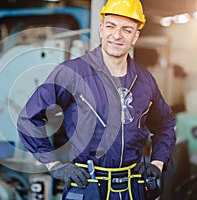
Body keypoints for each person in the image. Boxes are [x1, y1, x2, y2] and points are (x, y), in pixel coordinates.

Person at [17, 0, 176, 199]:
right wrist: (54, 164)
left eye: (126, 29)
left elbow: (165, 124)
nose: (117, 35)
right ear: (101, 29)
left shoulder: (145, 81)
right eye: (111, 26)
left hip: (132, 188)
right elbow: (29, 118)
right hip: (87, 185)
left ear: (135, 36)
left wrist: (157, 162)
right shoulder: (72, 73)